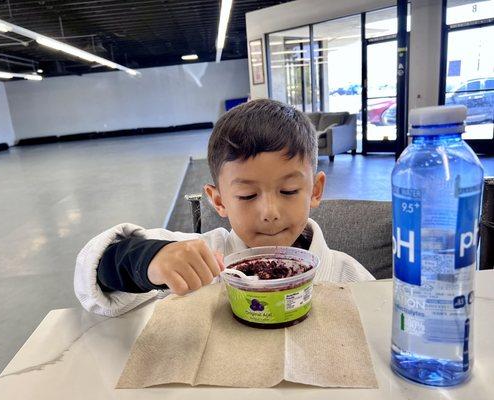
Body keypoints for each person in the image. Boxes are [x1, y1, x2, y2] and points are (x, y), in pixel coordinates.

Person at [74, 99, 374, 316]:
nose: (269, 211)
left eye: (288, 190)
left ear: (315, 190)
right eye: (246, 195)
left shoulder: (347, 275)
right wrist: (151, 260)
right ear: (218, 200)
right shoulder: (203, 258)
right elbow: (96, 274)